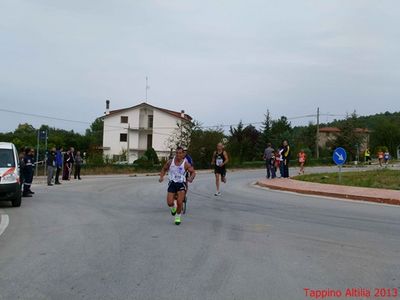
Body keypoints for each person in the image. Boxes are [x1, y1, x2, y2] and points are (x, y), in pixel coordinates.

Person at [159, 147, 196, 226]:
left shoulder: (185, 163)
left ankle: (177, 217)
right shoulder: (170, 162)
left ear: (183, 154)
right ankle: (173, 208)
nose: (178, 155)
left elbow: (193, 172)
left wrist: (191, 178)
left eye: (180, 153)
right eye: (177, 153)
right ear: (175, 153)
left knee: (179, 202)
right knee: (169, 203)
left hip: (181, 184)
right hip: (172, 183)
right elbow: (164, 169)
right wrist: (161, 177)